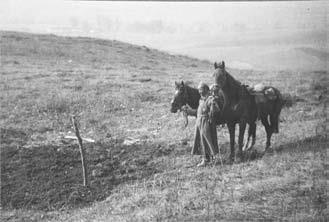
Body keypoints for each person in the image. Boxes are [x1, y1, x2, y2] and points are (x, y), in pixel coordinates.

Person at [185, 82, 220, 167]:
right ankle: (205, 159)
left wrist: (214, 103)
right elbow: (197, 112)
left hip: (206, 123)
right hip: (199, 122)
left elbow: (216, 110)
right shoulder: (201, 100)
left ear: (206, 90)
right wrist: (188, 111)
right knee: (200, 141)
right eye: (199, 90)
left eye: (201, 89)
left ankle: (212, 159)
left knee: (208, 141)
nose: (199, 91)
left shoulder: (210, 99)